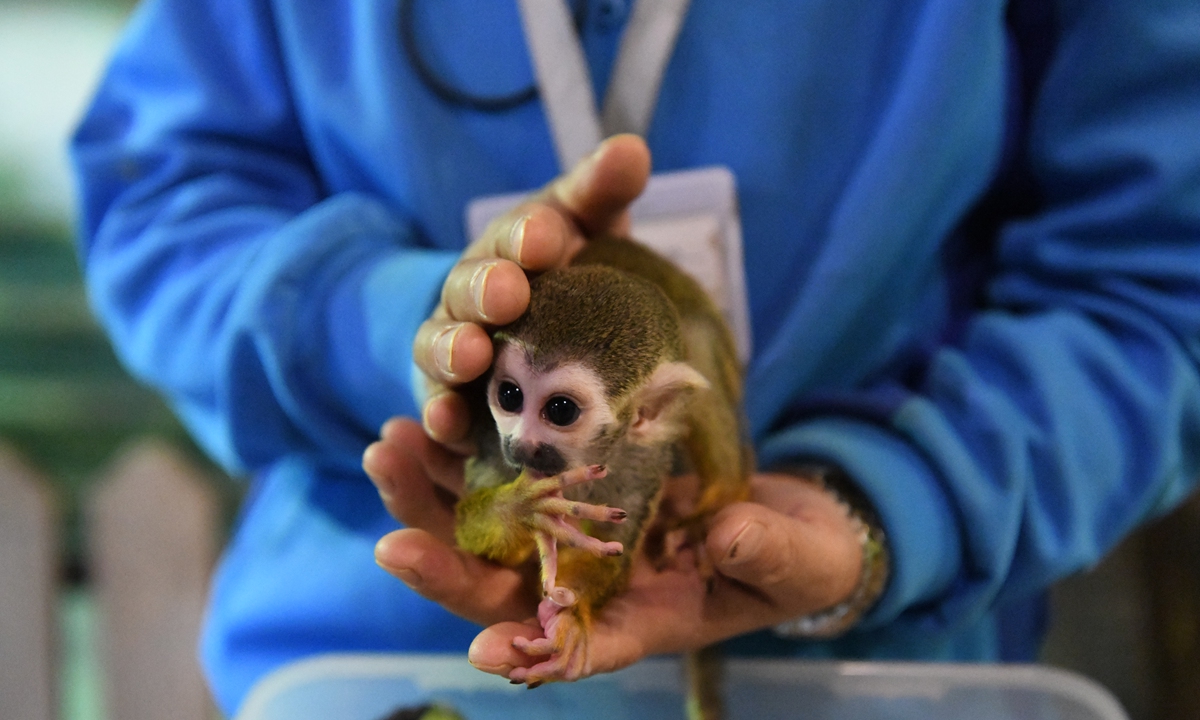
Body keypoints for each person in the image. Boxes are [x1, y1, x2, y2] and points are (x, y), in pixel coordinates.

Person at [70, 0, 1200, 716]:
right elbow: (159, 200)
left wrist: (891, 499)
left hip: (873, 678)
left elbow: (1157, 282)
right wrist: (392, 325)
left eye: (548, 414)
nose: (519, 441)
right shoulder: (523, 444)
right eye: (514, 404)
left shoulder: (668, 440)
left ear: (656, 415)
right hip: (375, 670)